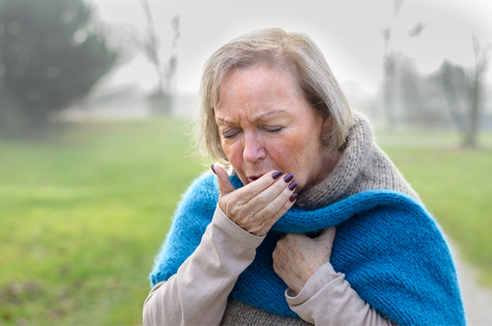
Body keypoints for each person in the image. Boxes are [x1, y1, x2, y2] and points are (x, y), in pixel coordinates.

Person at [143, 28, 465, 325]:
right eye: (231, 132)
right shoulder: (212, 205)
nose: (249, 153)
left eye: (272, 128)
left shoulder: (388, 218)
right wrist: (227, 240)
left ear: (324, 118)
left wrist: (322, 291)